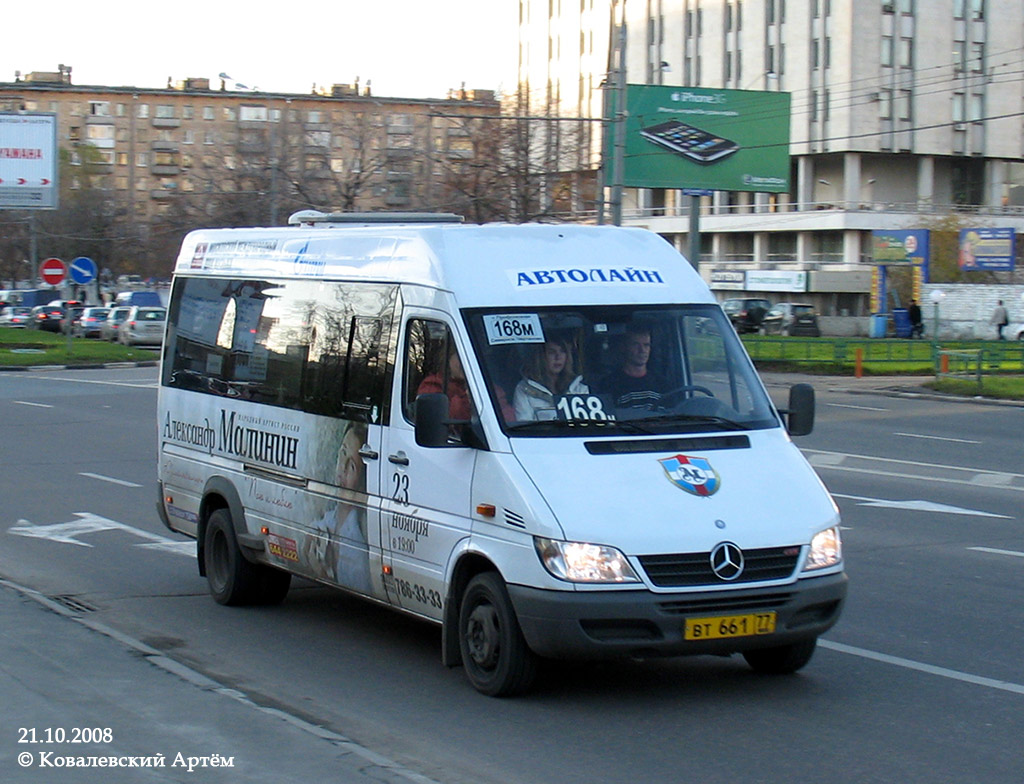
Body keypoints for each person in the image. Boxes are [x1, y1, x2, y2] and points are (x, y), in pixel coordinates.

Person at [308, 420, 372, 594]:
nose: (341, 468)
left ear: (361, 483)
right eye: (342, 453)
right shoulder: (328, 520)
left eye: (351, 466)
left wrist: (321, 573)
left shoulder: (357, 553)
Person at [513, 337, 588, 421]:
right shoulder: (524, 389)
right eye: (552, 352)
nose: (558, 357)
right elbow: (524, 424)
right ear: (541, 357)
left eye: (562, 351)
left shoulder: (580, 388)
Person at [599, 325, 669, 410]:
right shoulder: (609, 384)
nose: (642, 350)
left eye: (646, 345)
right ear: (624, 347)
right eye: (635, 345)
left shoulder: (663, 384)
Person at [417, 348, 474, 420]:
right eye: (460, 356)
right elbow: (451, 420)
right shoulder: (432, 385)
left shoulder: (479, 385)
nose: (465, 362)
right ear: (447, 359)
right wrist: (467, 398)